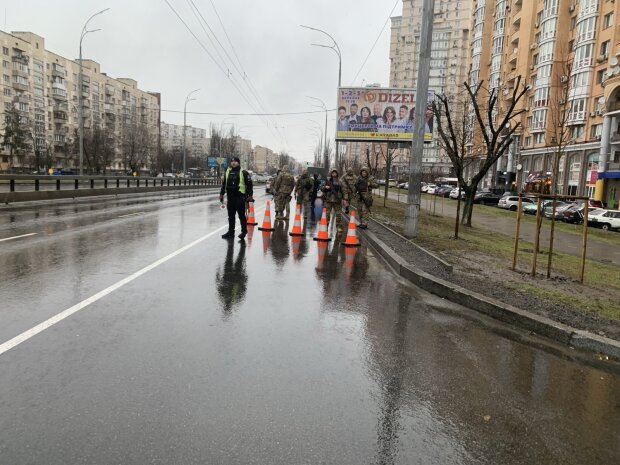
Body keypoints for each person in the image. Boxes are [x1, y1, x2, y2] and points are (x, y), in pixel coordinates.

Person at [220, 156, 254, 240]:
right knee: (231, 216)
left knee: (241, 215)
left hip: (240, 197)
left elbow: (249, 184)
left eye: (235, 161)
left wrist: (250, 196)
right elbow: (224, 184)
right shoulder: (227, 171)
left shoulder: (243, 172)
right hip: (230, 197)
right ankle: (231, 232)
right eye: (232, 161)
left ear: (238, 163)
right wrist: (221, 194)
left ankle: (244, 231)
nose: (233, 163)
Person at [322, 168, 344, 233]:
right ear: (331, 173)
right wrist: (325, 187)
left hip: (337, 200)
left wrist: (345, 198)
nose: (334, 174)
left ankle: (338, 227)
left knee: (338, 215)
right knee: (327, 214)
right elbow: (321, 188)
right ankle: (325, 226)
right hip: (328, 200)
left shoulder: (340, 181)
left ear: (337, 173)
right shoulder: (328, 180)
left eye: (335, 172)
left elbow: (344, 190)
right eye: (333, 173)